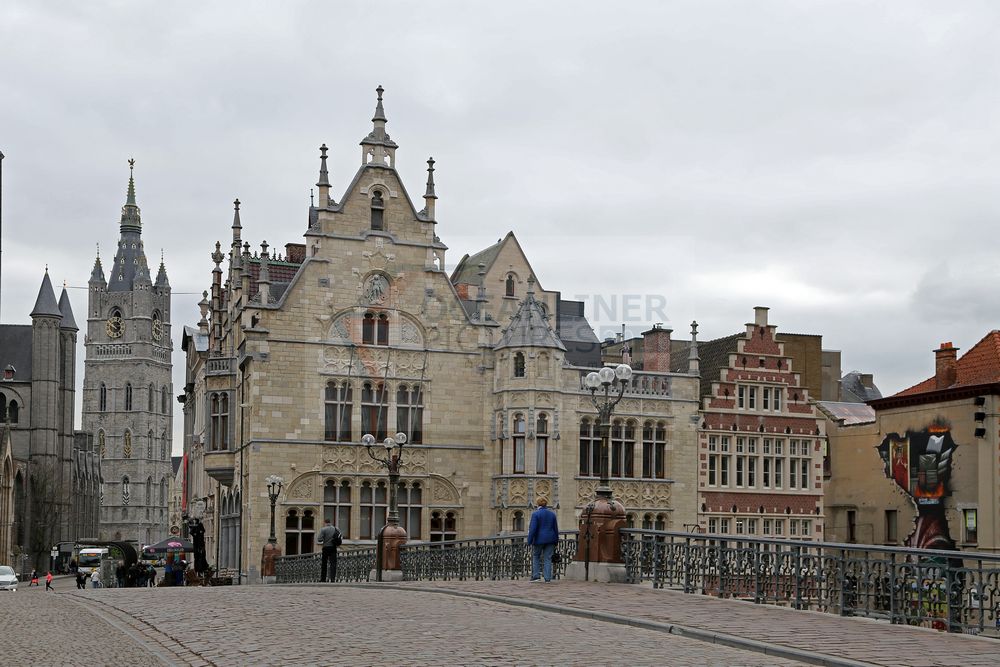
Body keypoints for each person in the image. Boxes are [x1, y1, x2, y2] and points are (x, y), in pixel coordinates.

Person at [527, 496, 559, 583]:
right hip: (551, 539)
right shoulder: (552, 514)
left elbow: (533, 529)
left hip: (539, 539)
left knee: (536, 556)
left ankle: (536, 576)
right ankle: (547, 578)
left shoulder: (535, 514)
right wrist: (556, 540)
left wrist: (529, 541)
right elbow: (555, 528)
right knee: (548, 558)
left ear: (538, 504)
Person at [316, 518, 343, 582]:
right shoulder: (336, 529)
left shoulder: (323, 529)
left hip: (326, 548)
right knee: (333, 563)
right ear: (330, 522)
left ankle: (323, 579)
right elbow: (340, 536)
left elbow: (319, 539)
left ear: (325, 522)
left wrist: (325, 539)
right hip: (333, 548)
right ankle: (333, 579)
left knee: (324, 564)